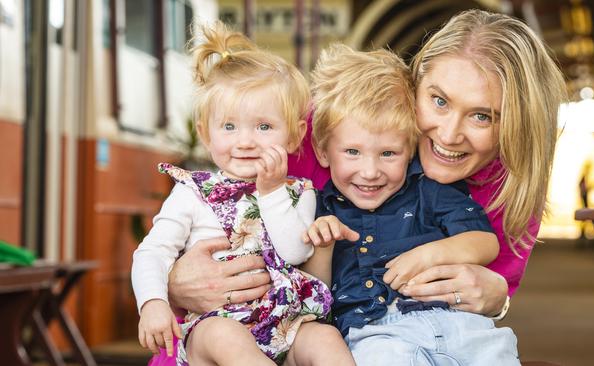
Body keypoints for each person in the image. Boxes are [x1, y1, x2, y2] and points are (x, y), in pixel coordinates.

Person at [152, 8, 566, 365]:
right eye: (439, 100)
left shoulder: (508, 180)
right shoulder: (321, 128)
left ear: (514, 124)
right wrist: (171, 281)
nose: (450, 133)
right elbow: (214, 205)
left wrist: (497, 297)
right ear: (413, 83)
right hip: (242, 334)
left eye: (483, 116)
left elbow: (492, 284)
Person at [131, 22, 354, 366]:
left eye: (264, 127)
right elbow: (152, 251)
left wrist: (271, 192)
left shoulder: (298, 192)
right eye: (229, 126)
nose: (246, 141)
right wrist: (153, 303)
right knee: (225, 337)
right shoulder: (193, 193)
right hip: (214, 325)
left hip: (285, 324)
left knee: (325, 337)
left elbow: (294, 252)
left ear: (295, 135)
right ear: (206, 134)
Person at [299, 42, 518, 365]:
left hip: (463, 325)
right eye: (352, 152)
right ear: (322, 151)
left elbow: (485, 242)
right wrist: (323, 245)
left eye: (388, 153)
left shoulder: (428, 190)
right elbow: (316, 297)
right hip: (376, 333)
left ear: (411, 149)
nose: (370, 172)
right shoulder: (318, 208)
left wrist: (433, 254)